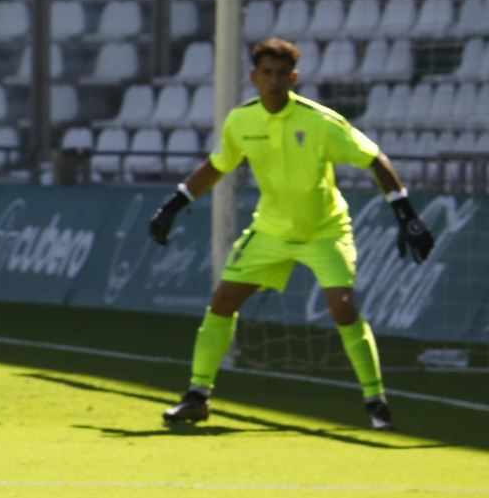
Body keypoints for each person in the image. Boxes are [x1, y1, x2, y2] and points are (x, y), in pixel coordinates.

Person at [148, 37, 434, 431]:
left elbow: (375, 159)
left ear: (294, 78)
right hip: (270, 230)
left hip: (324, 230)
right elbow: (217, 165)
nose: (274, 80)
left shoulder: (320, 122)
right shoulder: (241, 121)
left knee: (342, 306)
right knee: (222, 300)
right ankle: (197, 396)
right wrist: (173, 205)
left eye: (282, 73)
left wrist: (406, 216)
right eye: (266, 73)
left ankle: (375, 399)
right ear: (254, 77)